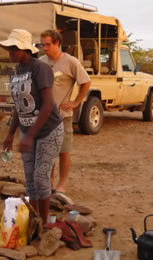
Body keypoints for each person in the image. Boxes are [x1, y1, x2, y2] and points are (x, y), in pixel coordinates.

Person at [0, 29, 64, 224]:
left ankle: (43, 224)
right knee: (30, 181)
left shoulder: (40, 69)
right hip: (28, 131)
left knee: (41, 178)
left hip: (48, 130)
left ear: (25, 49)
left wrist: (29, 136)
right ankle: (34, 220)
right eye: (9, 48)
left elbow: (47, 106)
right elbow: (19, 106)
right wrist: (11, 134)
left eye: (14, 48)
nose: (10, 52)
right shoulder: (17, 71)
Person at [39, 29, 91, 194]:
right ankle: (50, 184)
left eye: (48, 45)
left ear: (57, 43)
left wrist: (76, 102)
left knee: (64, 151)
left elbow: (86, 82)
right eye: (43, 45)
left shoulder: (71, 62)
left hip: (62, 117)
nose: (45, 48)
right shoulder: (40, 62)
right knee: (48, 153)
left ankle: (61, 185)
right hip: (44, 117)